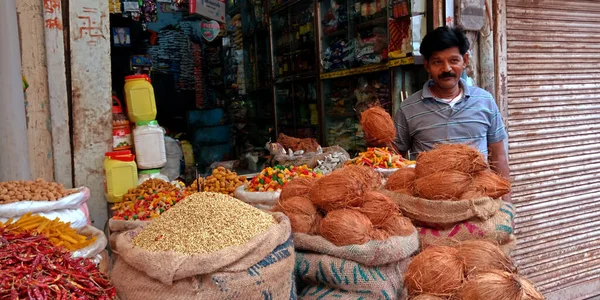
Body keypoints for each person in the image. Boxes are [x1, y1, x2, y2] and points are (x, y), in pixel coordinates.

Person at [392, 26, 511, 200]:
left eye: (454, 60)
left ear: (465, 60)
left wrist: (507, 206)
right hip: (429, 206)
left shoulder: (485, 101)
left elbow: (499, 155)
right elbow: (395, 158)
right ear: (426, 65)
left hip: (480, 203)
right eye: (437, 62)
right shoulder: (409, 108)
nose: (446, 68)